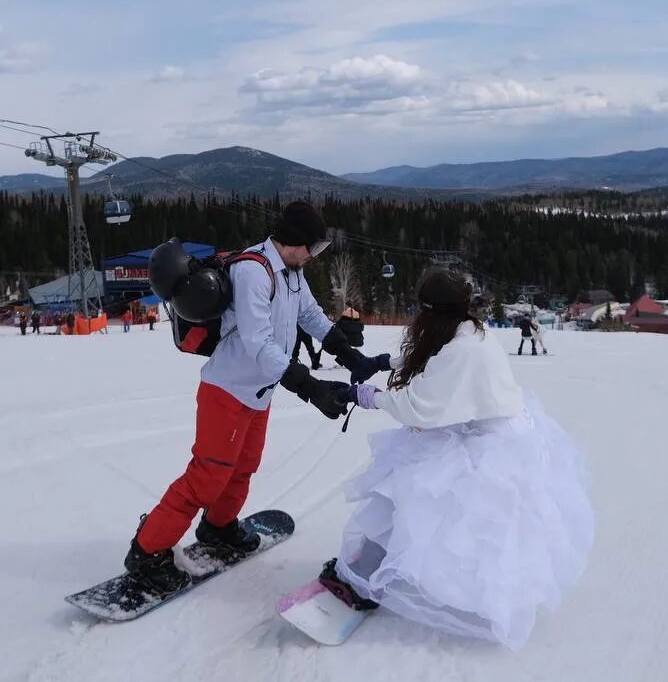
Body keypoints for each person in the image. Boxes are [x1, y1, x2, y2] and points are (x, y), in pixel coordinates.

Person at [318, 269, 594, 650]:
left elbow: (418, 408)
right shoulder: (470, 331)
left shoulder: (464, 349)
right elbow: (437, 357)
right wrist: (386, 361)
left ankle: (362, 581)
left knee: (406, 491)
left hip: (492, 445)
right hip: (499, 432)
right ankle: (371, 568)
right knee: (415, 494)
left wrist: (368, 396)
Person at [123, 202, 391, 592]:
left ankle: (218, 527)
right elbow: (258, 344)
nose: (312, 257)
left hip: (258, 392)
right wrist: (310, 387)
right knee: (206, 477)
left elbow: (310, 315)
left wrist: (350, 355)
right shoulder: (253, 270)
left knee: (243, 467)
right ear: (294, 241)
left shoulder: (292, 273)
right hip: (227, 390)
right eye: (312, 249)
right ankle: (147, 553)